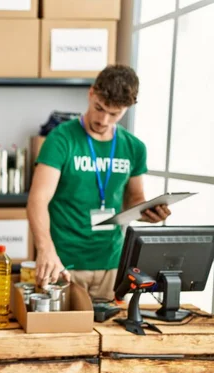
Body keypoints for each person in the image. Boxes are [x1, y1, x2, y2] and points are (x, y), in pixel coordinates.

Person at [27, 64, 171, 301]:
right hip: (64, 263)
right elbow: (37, 200)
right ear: (91, 93)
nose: (103, 120)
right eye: (99, 108)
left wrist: (149, 212)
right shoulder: (61, 138)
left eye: (114, 114)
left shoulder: (134, 147)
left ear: (127, 108)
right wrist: (45, 249)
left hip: (112, 263)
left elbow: (134, 199)